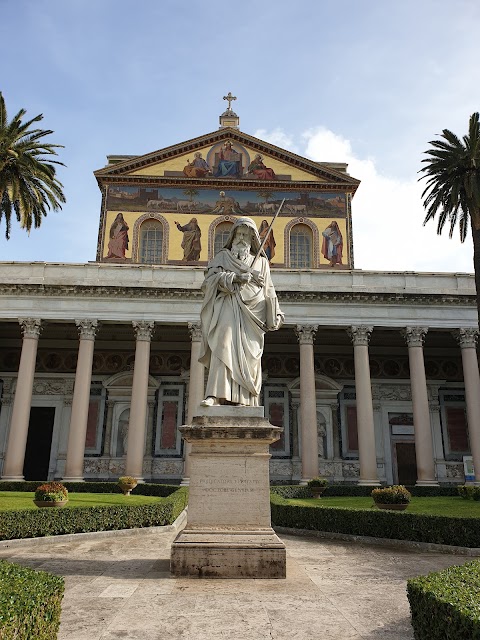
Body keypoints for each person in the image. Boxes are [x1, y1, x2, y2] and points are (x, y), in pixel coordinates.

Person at [199, 217, 284, 407]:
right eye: (239, 234)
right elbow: (208, 283)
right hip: (228, 305)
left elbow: (269, 290)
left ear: (253, 238)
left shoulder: (262, 262)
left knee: (249, 356)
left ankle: (244, 400)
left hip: (254, 313)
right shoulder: (222, 257)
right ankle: (215, 395)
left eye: (246, 235)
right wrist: (236, 278)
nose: (242, 238)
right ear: (233, 235)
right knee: (223, 343)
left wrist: (276, 313)